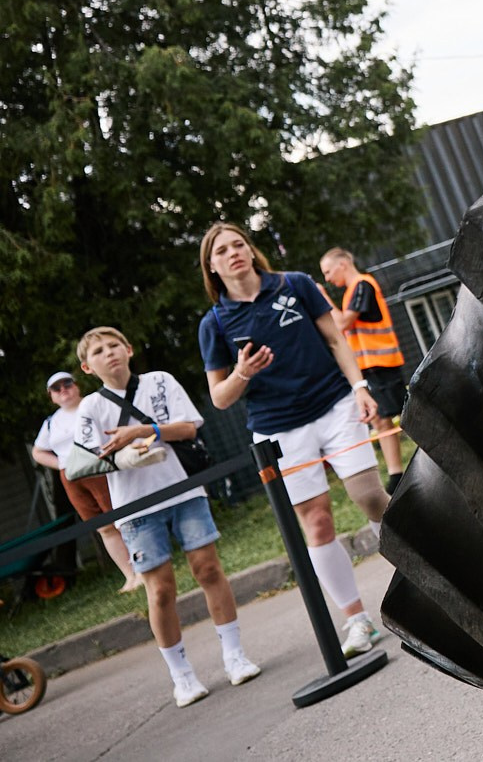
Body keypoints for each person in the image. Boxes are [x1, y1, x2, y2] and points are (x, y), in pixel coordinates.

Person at [197, 223, 389, 658]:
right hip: (278, 428)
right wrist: (243, 373)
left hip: (336, 404)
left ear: (250, 250)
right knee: (317, 522)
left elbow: (336, 338)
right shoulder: (214, 323)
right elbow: (220, 398)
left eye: (238, 245)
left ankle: (432, 580)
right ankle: (357, 620)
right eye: (222, 250)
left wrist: (360, 387)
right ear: (212, 266)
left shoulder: (295, 284)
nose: (233, 254)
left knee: (369, 496)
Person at [72, 327, 259, 706]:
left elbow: (189, 427)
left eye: (114, 346)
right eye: (98, 352)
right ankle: (182, 676)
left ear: (128, 349)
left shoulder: (159, 381)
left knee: (208, 569)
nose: (109, 354)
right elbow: (85, 459)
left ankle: (234, 655)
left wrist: (146, 431)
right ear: (86, 367)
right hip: (135, 507)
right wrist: (123, 451)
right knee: (160, 590)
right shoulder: (90, 408)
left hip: (183, 489)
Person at [29, 371, 141, 592]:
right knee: (103, 527)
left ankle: (143, 569)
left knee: (122, 519)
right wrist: (62, 463)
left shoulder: (93, 405)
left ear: (76, 385)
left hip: (99, 468)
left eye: (67, 384)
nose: (63, 390)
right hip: (72, 477)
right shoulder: (51, 422)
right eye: (56, 388)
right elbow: (38, 452)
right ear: (50, 395)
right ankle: (129, 576)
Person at [320, 248, 408, 495]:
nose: (327, 278)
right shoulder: (352, 291)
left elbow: (342, 323)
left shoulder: (362, 284)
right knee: (382, 420)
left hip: (381, 363)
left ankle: (417, 465)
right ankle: (396, 475)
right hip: (368, 366)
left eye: (328, 271)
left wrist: (323, 299)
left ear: (343, 264)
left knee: (398, 416)